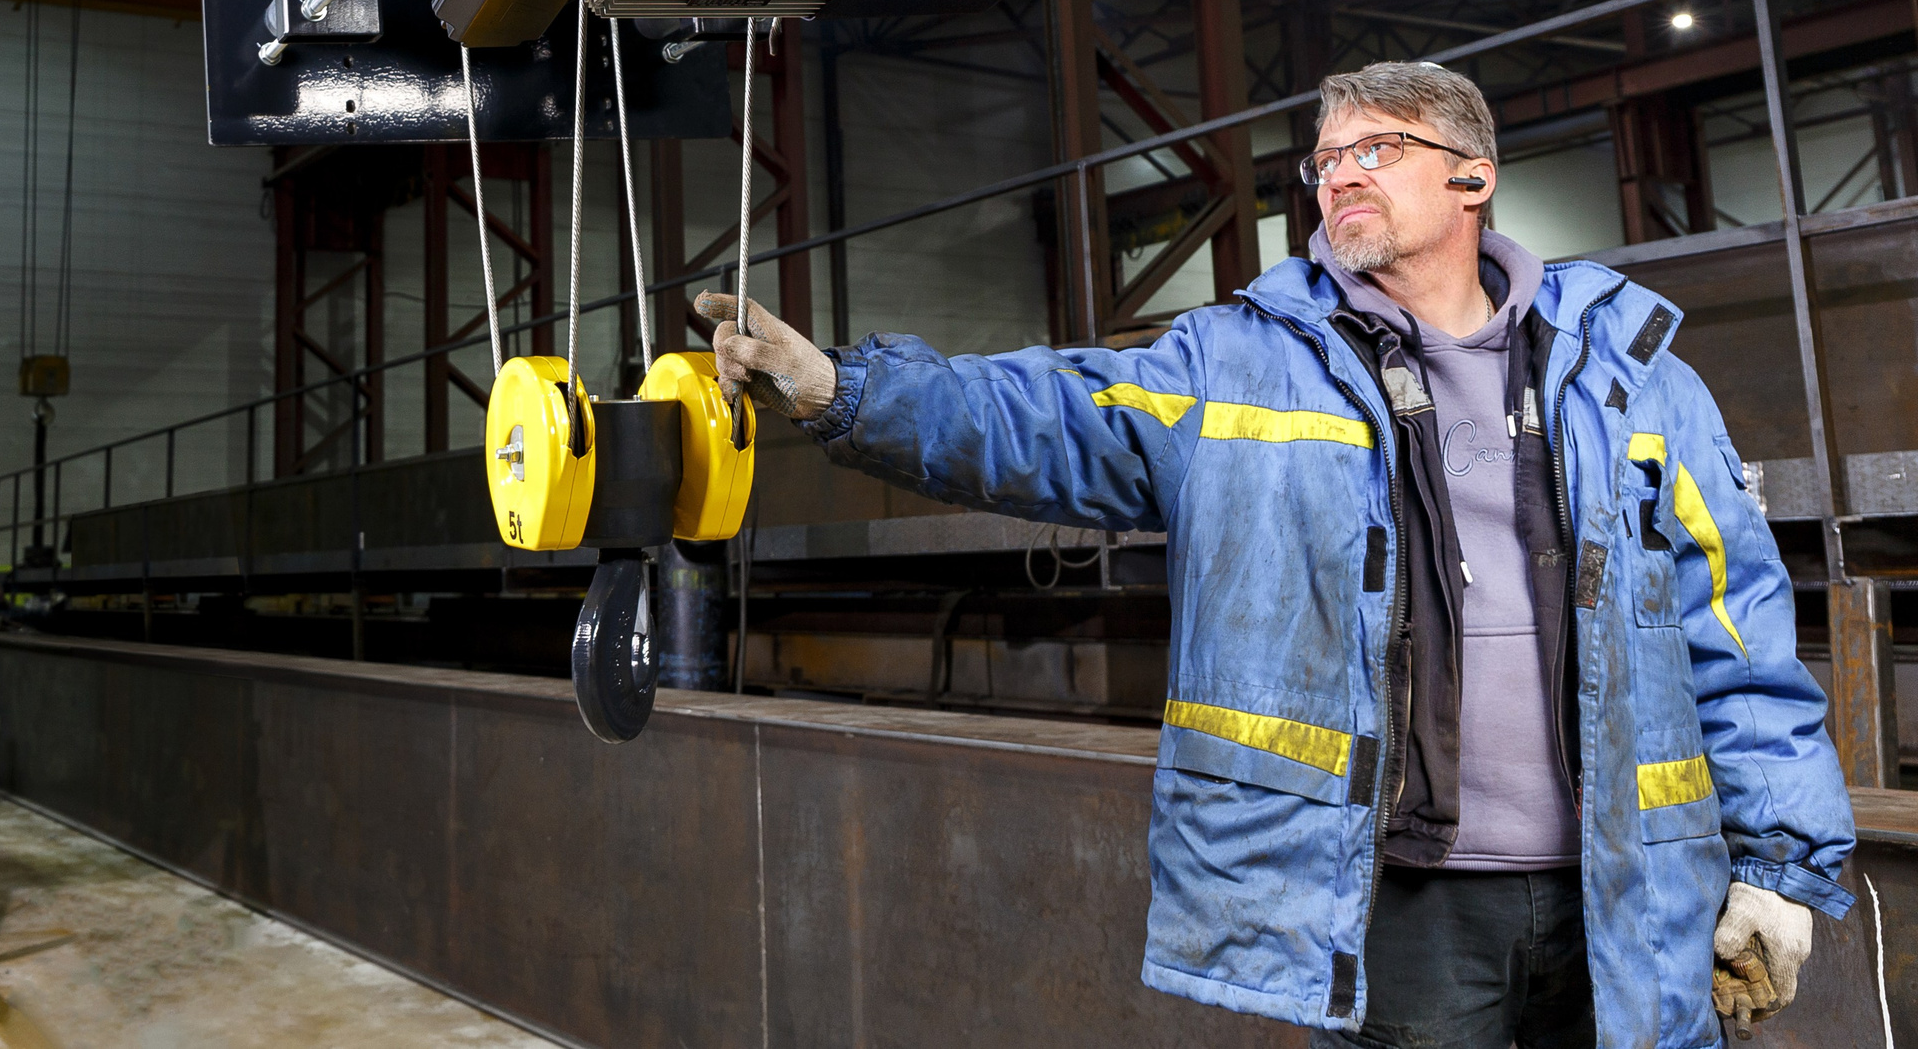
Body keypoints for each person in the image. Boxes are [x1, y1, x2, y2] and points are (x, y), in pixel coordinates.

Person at [699, 60, 1853, 1049]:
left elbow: (1736, 626)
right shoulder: (1241, 362)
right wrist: (844, 391)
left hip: (1631, 894)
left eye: (1378, 149)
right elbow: (1045, 419)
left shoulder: (1631, 371)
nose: (1338, 173)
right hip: (1405, 908)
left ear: (1471, 176)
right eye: (1323, 159)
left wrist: (1783, 864)